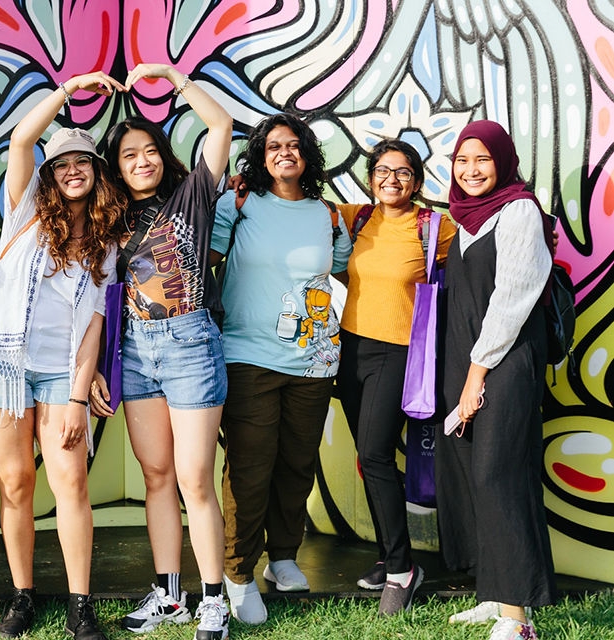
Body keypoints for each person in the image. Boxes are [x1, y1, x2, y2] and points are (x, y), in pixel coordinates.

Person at [0, 71, 126, 640]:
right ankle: (23, 595)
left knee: (71, 485)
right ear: (50, 175)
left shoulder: (108, 238)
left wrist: (79, 394)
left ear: (96, 173)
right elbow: (20, 141)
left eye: (81, 162)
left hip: (62, 373)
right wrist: (69, 88)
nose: (71, 170)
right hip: (2, 368)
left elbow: (96, 322)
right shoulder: (25, 209)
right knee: (15, 485)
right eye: (62, 165)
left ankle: (82, 605)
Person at [89, 63, 233, 640]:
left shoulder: (192, 197)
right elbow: (99, 299)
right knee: (156, 477)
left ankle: (214, 599)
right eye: (129, 155)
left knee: (195, 478)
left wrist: (173, 78)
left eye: (149, 151)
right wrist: (100, 367)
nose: (142, 161)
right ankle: (170, 596)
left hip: (190, 344)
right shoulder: (108, 220)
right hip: (136, 353)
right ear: (116, 167)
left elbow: (220, 125)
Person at [209, 112, 352, 625]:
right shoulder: (240, 203)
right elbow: (202, 258)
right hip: (247, 356)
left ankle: (284, 557)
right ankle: (238, 573)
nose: (284, 153)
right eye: (273, 146)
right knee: (249, 467)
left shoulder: (327, 215)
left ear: (307, 155)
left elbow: (340, 270)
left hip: (314, 361)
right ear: (261, 155)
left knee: (296, 463)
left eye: (293, 145)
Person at [437, 120, 557, 640]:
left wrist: (476, 376)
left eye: (482, 159)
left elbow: (511, 301)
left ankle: (518, 619)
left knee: (498, 476)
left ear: (503, 160)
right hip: (467, 364)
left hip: (502, 365)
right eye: (462, 160)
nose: (471, 170)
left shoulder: (520, 211)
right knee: (469, 473)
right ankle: (496, 592)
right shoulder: (462, 219)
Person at [336, 140, 456, 615]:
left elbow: (489, 239)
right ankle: (388, 555)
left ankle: (404, 569)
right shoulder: (357, 217)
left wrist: (543, 234)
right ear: (371, 178)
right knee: (371, 460)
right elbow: (300, 203)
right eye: (383, 171)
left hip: (398, 353)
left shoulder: (434, 227)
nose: (392, 180)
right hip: (349, 348)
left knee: (375, 454)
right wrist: (244, 187)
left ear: (418, 181)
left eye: (403, 173)